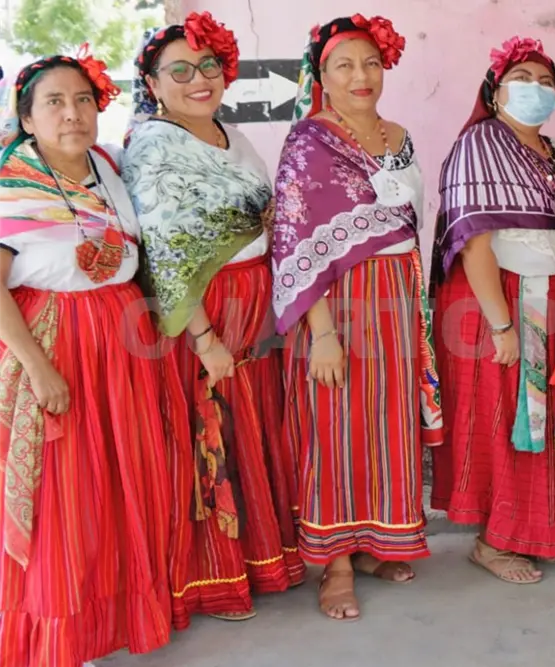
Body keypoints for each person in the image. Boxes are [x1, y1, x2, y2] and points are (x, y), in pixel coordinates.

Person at [122, 11, 304, 626]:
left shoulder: (231, 134)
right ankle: (212, 576)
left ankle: (261, 559)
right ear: (151, 82)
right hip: (204, 311)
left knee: (253, 424)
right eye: (179, 70)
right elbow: (165, 254)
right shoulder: (153, 150)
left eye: (207, 66)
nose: (197, 79)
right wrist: (203, 339)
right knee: (211, 427)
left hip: (252, 299)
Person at [0, 50, 179, 666]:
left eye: (83, 100)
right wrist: (38, 367)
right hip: (54, 341)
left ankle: (113, 616)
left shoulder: (108, 169)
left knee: (118, 482)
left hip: (120, 341)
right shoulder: (11, 184)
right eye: (54, 102)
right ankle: (59, 633)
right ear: (26, 118)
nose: (72, 113)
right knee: (64, 491)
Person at [272, 14, 441, 620]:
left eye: (370, 62)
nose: (360, 75)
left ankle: (376, 542)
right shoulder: (309, 141)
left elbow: (409, 223)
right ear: (321, 75)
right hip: (338, 301)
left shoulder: (399, 135)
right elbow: (295, 240)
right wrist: (322, 334)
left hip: (396, 294)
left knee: (387, 418)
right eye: (344, 65)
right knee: (336, 422)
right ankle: (335, 564)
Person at [430, 36, 555, 585]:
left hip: (548, 298)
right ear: (495, 92)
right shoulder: (478, 145)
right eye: (523, 79)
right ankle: (493, 541)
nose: (535, 89)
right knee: (502, 419)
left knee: (541, 415)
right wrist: (502, 324)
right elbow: (474, 243)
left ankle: (537, 528)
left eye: (545, 81)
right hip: (498, 298)